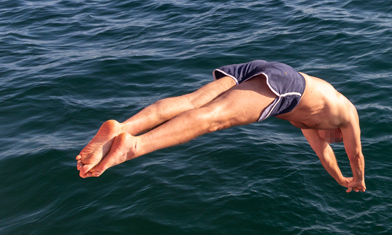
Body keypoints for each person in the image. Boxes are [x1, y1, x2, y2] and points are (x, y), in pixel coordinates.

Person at [76, 60, 365, 192]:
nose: (327, 139)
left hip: (266, 68)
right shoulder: (348, 114)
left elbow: (324, 155)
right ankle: (133, 145)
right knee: (214, 118)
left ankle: (123, 127)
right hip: (287, 85)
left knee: (193, 102)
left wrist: (341, 180)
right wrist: (359, 179)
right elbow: (356, 154)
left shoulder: (311, 123)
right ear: (338, 132)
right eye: (334, 138)